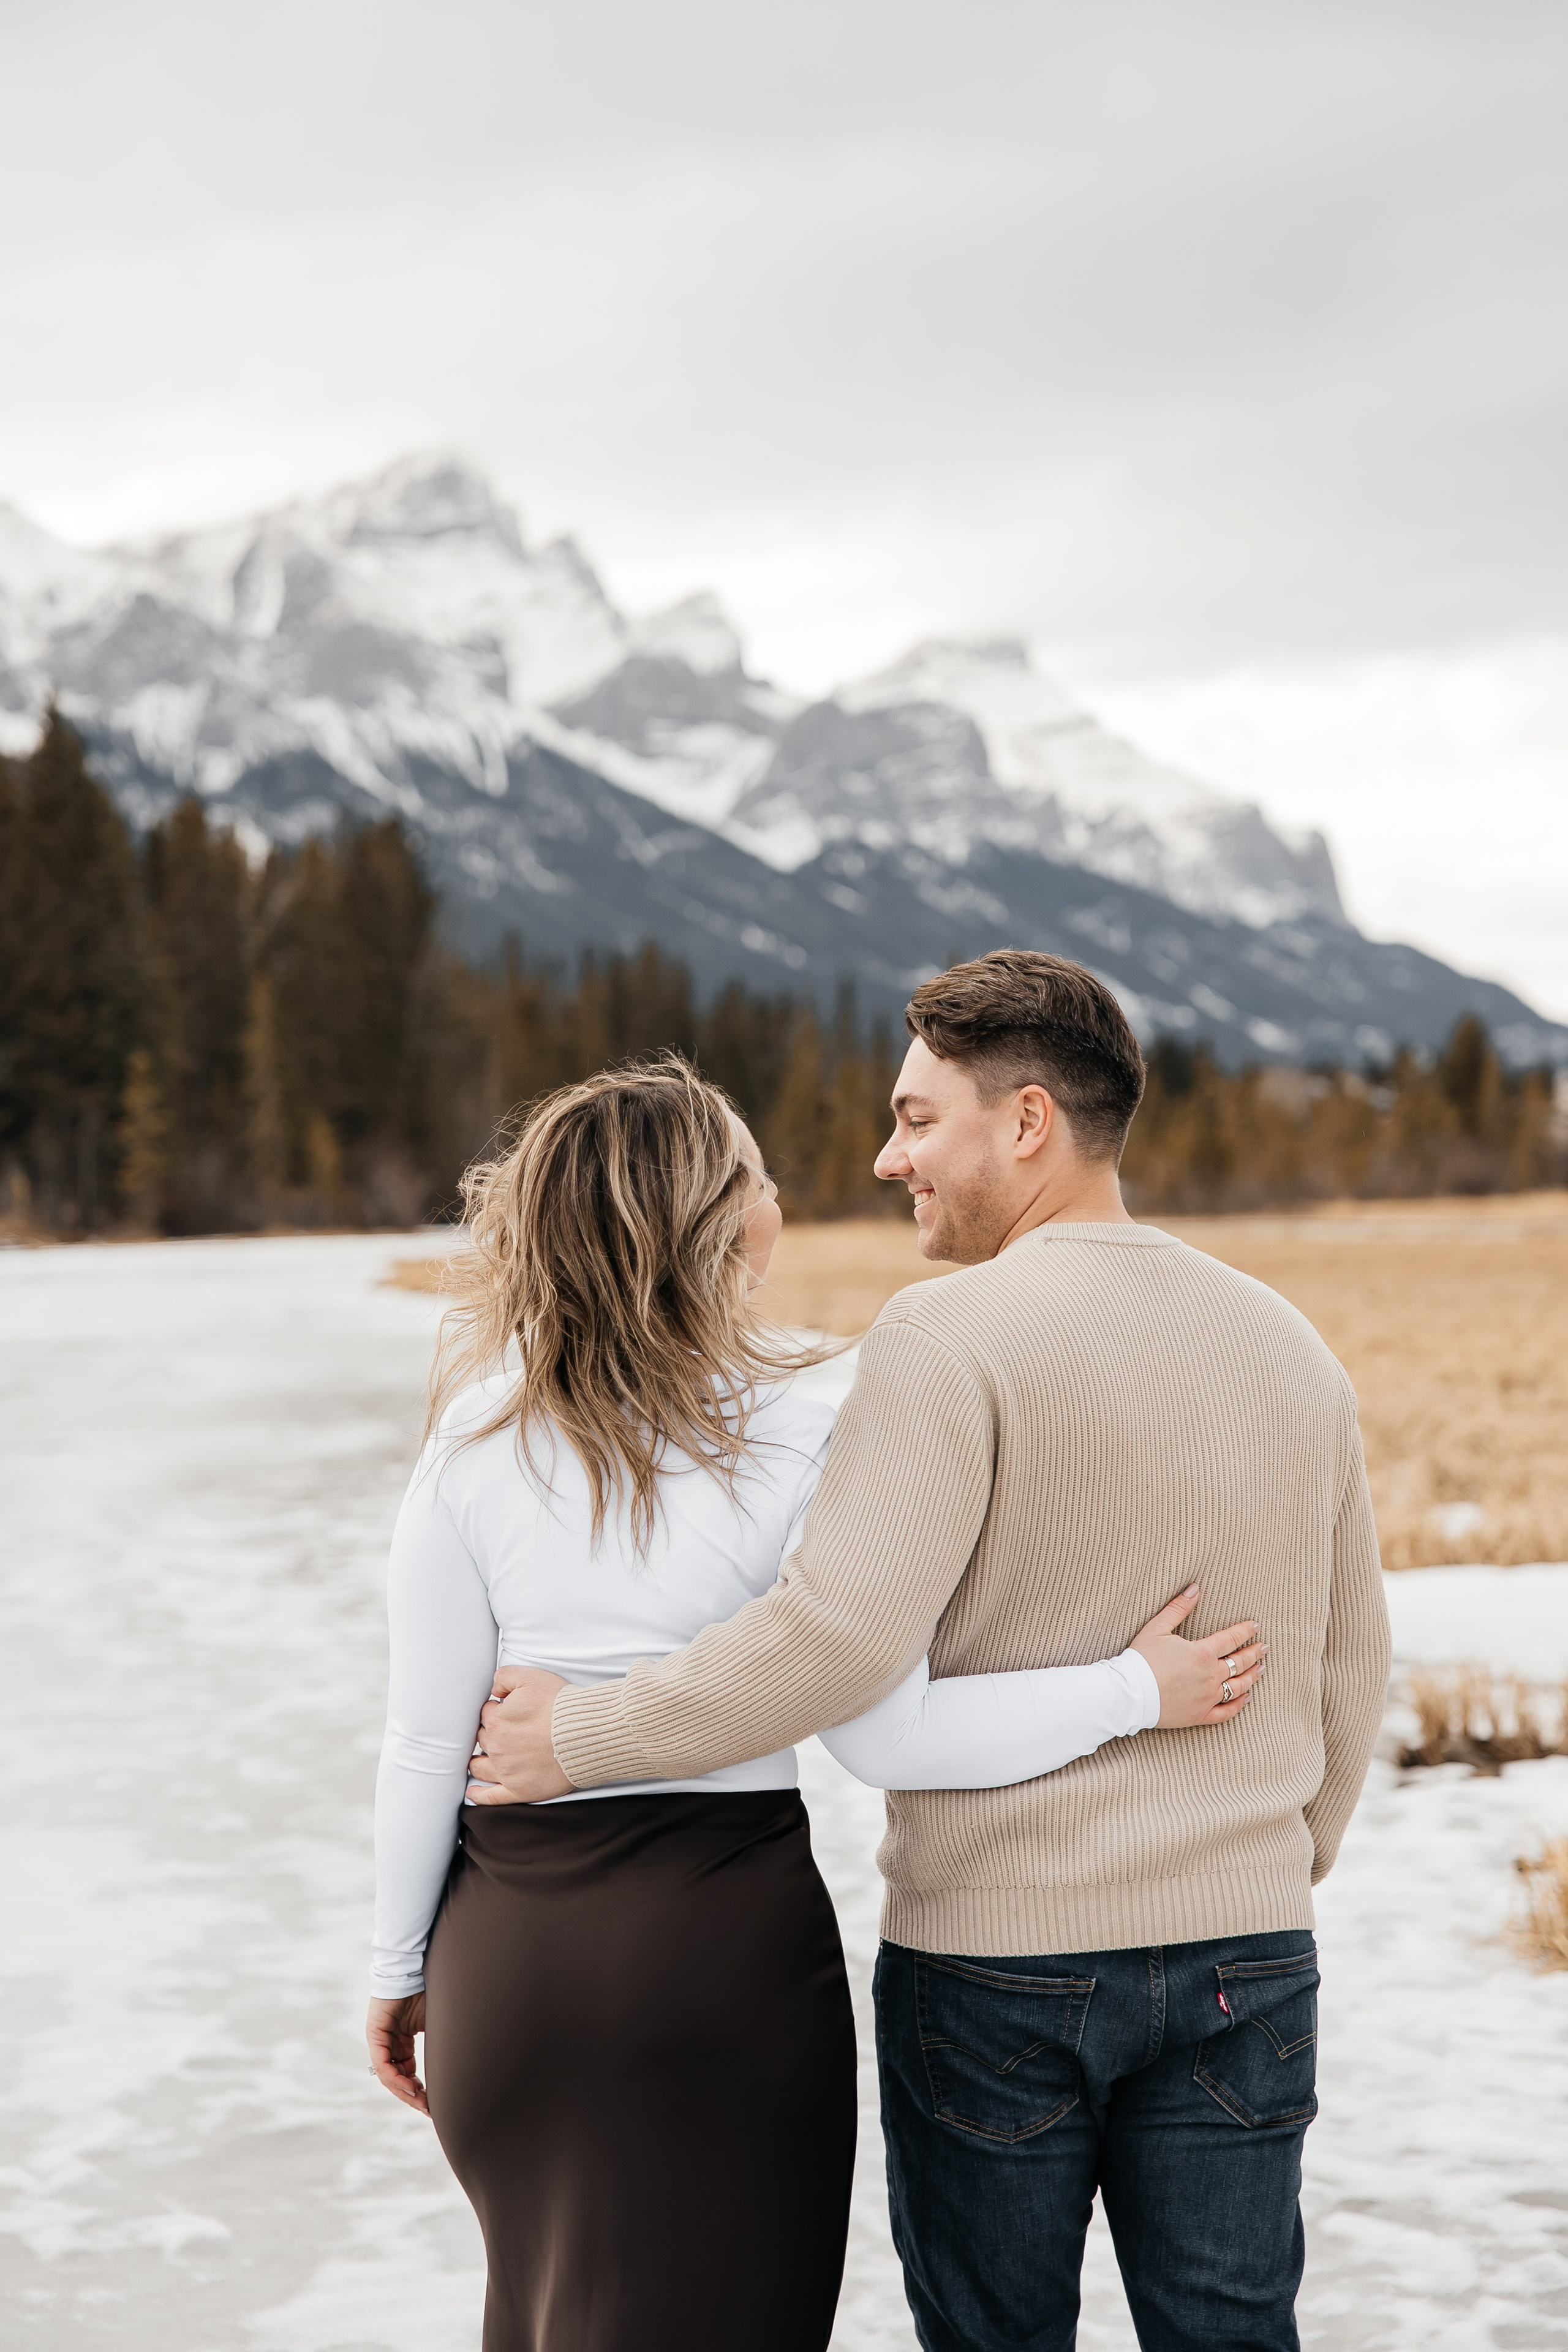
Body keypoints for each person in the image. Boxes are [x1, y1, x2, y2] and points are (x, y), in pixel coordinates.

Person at [472, 951, 1393, 2352]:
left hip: (998, 1970)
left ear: (1025, 1123)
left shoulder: (945, 1337)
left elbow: (835, 1636)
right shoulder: (1287, 1346)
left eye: (915, 1119)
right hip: (1244, 1957)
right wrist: (1262, 1862)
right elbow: (1347, 1673)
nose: (885, 1156)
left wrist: (578, 1737)